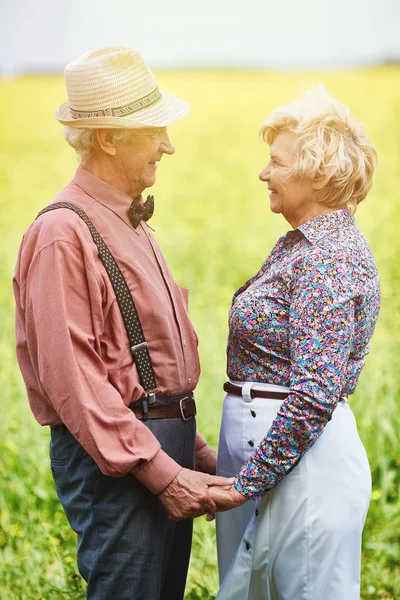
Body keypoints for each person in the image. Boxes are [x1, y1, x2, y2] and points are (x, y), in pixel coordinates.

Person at [13, 46, 232, 600]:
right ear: (110, 138)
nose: (168, 143)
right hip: (121, 465)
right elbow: (77, 382)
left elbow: (146, 370)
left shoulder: (132, 223)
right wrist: (162, 470)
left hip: (155, 448)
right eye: (154, 129)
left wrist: (196, 452)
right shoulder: (63, 232)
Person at [210, 87, 379, 600]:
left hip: (301, 468)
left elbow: (314, 393)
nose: (264, 173)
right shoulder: (301, 243)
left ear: (317, 173)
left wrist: (247, 480)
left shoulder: (328, 259)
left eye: (276, 163)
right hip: (273, 457)